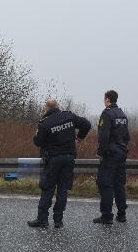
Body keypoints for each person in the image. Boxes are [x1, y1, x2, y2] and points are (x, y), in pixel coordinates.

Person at [27, 99, 91, 228]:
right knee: (63, 189)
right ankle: (58, 220)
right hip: (69, 158)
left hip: (53, 159)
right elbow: (87, 124)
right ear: (58, 106)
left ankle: (42, 220)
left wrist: (38, 137)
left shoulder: (45, 123)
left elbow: (38, 142)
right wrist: (80, 138)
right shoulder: (69, 116)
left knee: (47, 188)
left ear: (46, 108)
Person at [93, 90, 130, 224]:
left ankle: (106, 215)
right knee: (119, 184)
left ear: (107, 99)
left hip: (110, 154)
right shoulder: (122, 114)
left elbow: (104, 136)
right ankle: (122, 214)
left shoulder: (107, 114)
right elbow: (127, 136)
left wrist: (101, 152)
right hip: (121, 153)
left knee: (106, 184)